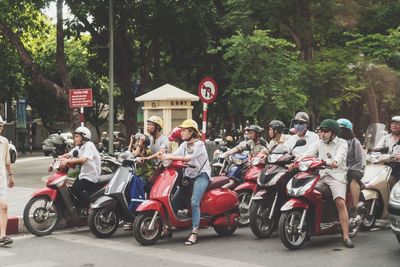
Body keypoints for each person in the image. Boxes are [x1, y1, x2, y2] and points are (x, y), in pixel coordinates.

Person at [157, 119, 211, 245]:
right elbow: (175, 154)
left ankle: (194, 232)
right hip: (188, 176)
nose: (181, 133)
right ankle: (168, 228)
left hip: (201, 175)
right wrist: (163, 154)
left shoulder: (199, 145)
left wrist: (168, 156)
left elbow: (186, 158)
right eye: (181, 130)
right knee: (174, 201)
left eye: (184, 130)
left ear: (191, 132)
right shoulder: (184, 145)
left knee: (194, 202)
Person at [302, 119, 353, 248]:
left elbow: (340, 155)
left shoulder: (342, 143)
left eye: (326, 131)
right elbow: (307, 155)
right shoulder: (318, 143)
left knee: (340, 202)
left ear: (333, 133)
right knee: (307, 194)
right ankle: (308, 227)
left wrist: (335, 161)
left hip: (337, 176)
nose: (322, 134)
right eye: (321, 131)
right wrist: (296, 161)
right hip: (321, 175)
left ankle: (346, 236)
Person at [60, 126, 101, 204]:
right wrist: (56, 161)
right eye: (75, 137)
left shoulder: (89, 145)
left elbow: (83, 159)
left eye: (77, 137)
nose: (75, 139)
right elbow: (67, 155)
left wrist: (67, 161)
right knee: (71, 191)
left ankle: (89, 206)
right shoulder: (79, 147)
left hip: (92, 176)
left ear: (84, 138)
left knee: (76, 189)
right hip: (84, 175)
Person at [337, 118, 365, 219]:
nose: (339, 131)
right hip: (339, 170)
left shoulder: (355, 142)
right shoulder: (336, 142)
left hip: (354, 169)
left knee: (353, 180)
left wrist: (349, 169)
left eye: (342, 129)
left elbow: (360, 160)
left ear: (347, 130)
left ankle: (354, 206)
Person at [373, 116, 400, 188]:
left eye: (397, 124)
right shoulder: (386, 137)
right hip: (387, 166)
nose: (394, 125)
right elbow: (377, 149)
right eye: (393, 123)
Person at [0, 116, 15, 246]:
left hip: (1, 181)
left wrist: (11, 176)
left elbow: (7, 161)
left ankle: (3, 236)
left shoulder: (4, 142)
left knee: (4, 206)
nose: (0, 127)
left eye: (1, 125)